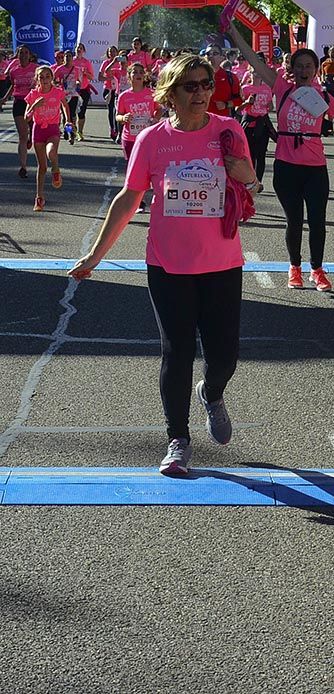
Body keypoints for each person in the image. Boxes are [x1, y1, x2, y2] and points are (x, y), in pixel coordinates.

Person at [69, 54, 258, 475]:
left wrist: (246, 173)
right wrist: (96, 256)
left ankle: (211, 392)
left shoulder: (228, 131)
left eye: (206, 84)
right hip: (168, 264)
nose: (201, 92)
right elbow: (128, 199)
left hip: (221, 262)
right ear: (170, 94)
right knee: (177, 351)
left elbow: (250, 183)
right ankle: (178, 440)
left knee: (224, 355)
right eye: (190, 86)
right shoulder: (152, 140)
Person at [228, 23, 334, 292]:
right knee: (294, 221)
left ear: (316, 69)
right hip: (287, 167)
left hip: (315, 168)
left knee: (318, 221)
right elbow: (253, 58)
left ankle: (317, 269)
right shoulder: (281, 88)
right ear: (292, 68)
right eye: (298, 65)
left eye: (308, 66)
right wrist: (232, 31)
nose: (303, 70)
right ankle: (295, 267)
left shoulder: (323, 95)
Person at [25, 65, 70, 212]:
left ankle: (56, 171)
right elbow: (26, 117)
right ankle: (39, 198)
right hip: (38, 130)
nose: (44, 80)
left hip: (52, 129)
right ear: (37, 80)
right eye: (41, 77)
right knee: (42, 167)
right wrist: (34, 106)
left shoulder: (57, 92)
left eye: (47, 76)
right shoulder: (33, 94)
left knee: (51, 153)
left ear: (52, 78)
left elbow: (64, 104)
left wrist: (68, 120)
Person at [4, 46, 39, 179]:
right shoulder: (13, 71)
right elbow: (13, 86)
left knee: (34, 133)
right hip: (19, 102)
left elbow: (43, 84)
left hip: (33, 103)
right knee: (22, 136)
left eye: (26, 53)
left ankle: (31, 138)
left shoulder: (36, 69)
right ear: (17, 56)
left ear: (30, 55)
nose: (23, 55)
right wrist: (4, 98)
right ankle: (23, 167)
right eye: (21, 53)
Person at [239, 61, 275, 191]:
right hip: (249, 123)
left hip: (262, 123)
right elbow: (238, 109)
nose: (258, 75)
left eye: (260, 73)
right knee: (250, 155)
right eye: (255, 72)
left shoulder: (266, 89)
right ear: (250, 73)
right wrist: (247, 103)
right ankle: (250, 179)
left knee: (261, 155)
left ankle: (258, 181)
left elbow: (271, 106)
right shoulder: (245, 89)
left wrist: (269, 107)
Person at [116, 62, 161, 162]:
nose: (138, 74)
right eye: (135, 72)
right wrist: (123, 118)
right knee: (131, 166)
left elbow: (159, 109)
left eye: (141, 72)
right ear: (129, 76)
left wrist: (156, 119)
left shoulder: (151, 94)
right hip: (129, 138)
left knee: (147, 166)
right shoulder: (124, 96)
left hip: (147, 137)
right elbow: (118, 116)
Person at [203, 46, 242, 117]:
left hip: (222, 121)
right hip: (200, 121)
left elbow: (239, 100)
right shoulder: (198, 76)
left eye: (215, 53)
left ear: (222, 57)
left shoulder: (230, 76)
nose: (211, 56)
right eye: (208, 54)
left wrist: (226, 104)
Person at [53, 51, 81, 145]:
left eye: (69, 56)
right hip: (63, 95)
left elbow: (79, 80)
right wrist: (60, 82)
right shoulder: (59, 69)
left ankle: (71, 134)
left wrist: (78, 83)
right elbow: (53, 81)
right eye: (66, 56)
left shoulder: (76, 69)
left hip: (73, 94)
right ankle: (66, 130)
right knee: (66, 115)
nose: (67, 58)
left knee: (72, 115)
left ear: (72, 58)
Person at [101, 46, 127, 141]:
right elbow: (104, 74)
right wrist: (114, 62)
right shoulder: (112, 66)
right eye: (110, 51)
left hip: (124, 93)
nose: (111, 53)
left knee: (123, 112)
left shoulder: (129, 70)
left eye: (113, 51)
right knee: (113, 110)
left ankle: (121, 131)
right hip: (110, 90)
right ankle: (114, 129)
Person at [71, 43, 96, 142]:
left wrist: (85, 73)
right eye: (77, 48)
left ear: (84, 51)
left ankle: (80, 132)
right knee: (70, 114)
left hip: (84, 89)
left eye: (81, 49)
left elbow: (91, 77)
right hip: (71, 90)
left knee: (81, 113)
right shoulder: (71, 61)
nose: (79, 50)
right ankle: (70, 132)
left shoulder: (86, 62)